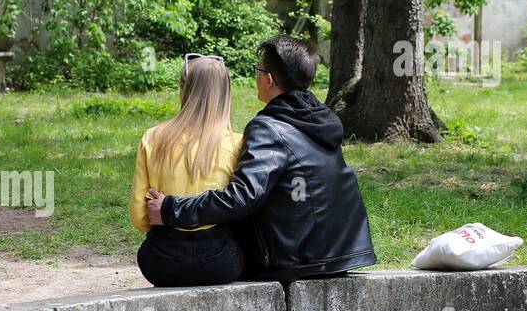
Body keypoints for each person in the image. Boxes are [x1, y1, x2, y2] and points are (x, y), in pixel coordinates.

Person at [146, 35, 376, 281]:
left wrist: (172, 209)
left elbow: (243, 197)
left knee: (217, 247)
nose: (257, 76)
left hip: (295, 261)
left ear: (268, 80)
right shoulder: (318, 119)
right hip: (338, 254)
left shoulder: (268, 128)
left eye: (258, 70)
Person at [130, 54, 245, 286]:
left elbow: (140, 218)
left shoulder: (152, 138)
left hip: (160, 263)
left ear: (184, 89)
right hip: (221, 263)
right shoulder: (238, 143)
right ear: (226, 93)